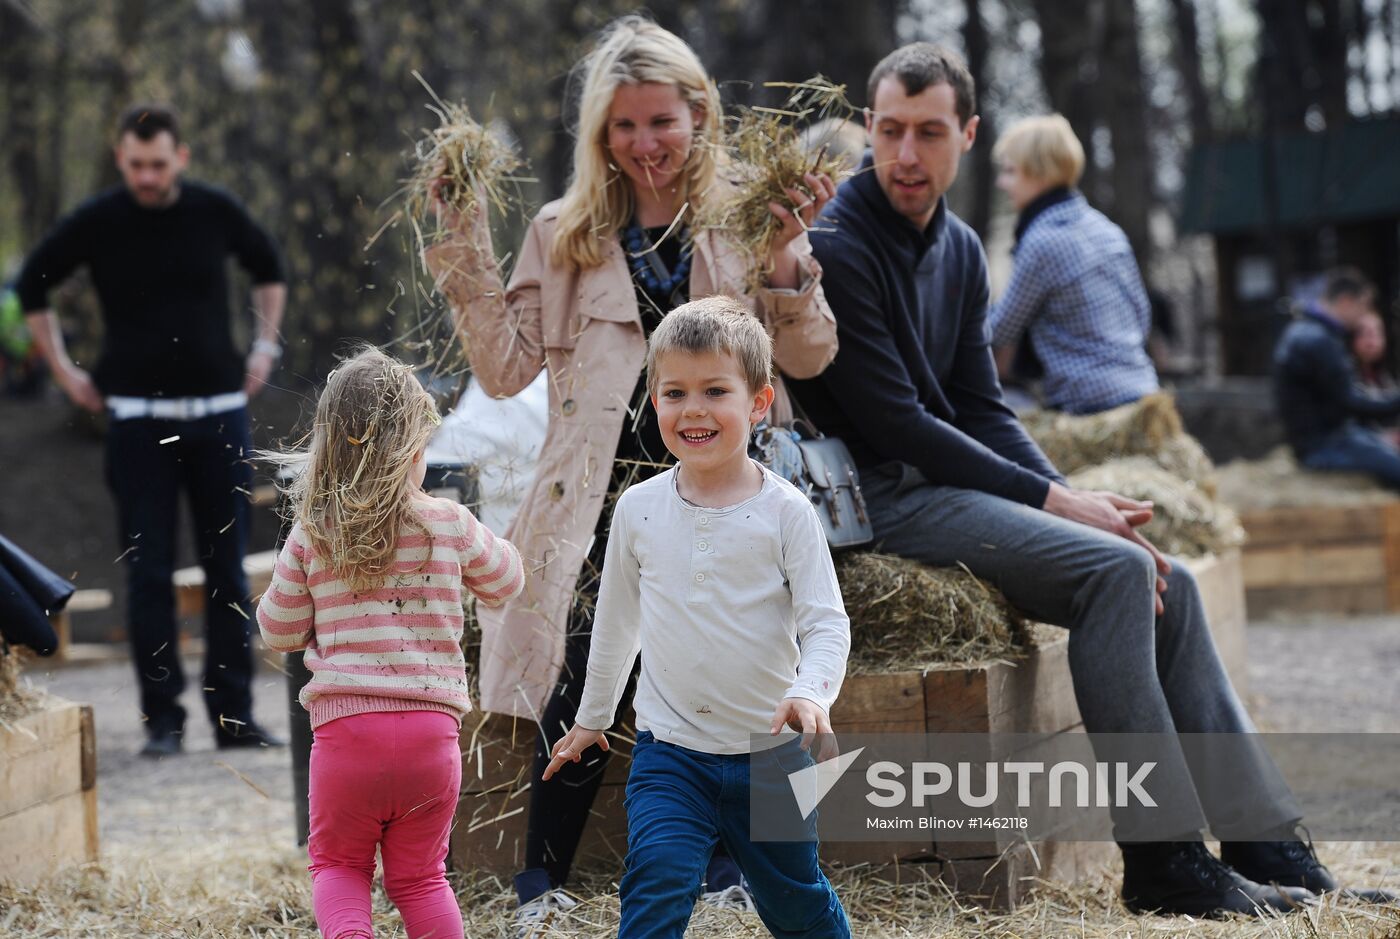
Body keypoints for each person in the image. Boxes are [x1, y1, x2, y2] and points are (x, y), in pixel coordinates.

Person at [786, 43, 1340, 917]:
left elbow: (983, 403)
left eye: (929, 133)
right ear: (867, 126)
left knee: (1171, 579)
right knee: (1112, 574)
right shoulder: (840, 243)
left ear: (967, 135)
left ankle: (1264, 837)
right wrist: (1066, 505)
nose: (904, 154)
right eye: (888, 130)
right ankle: (1162, 859)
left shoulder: (963, 248)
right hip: (880, 498)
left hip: (942, 484)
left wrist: (1082, 505)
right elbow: (903, 425)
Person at [424, 15, 838, 928]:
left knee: (740, 659)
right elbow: (502, 369)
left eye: (662, 122)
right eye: (624, 126)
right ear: (600, 135)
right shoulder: (563, 233)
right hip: (601, 498)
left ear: (699, 115)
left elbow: (805, 358)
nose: (645, 146)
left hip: (727, 488)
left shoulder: (743, 212)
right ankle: (542, 881)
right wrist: (458, 242)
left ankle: (735, 868)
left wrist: (787, 257)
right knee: (579, 679)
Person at [545, 298, 851, 939]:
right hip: (671, 752)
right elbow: (617, 624)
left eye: (716, 390)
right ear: (652, 401)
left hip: (771, 754)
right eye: (674, 392)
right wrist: (592, 718)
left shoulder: (787, 512)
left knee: (794, 902)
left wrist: (810, 691)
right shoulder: (638, 509)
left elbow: (825, 623)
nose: (693, 410)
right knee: (655, 880)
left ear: (759, 402)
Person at [16, 104, 288, 757]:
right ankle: (161, 721)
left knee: (227, 567)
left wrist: (263, 350)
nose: (146, 176)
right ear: (121, 158)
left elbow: (269, 267)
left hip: (219, 412)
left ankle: (235, 718)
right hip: (137, 421)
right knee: (149, 572)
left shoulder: (214, 211)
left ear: (181, 158)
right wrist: (62, 369)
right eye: (135, 164)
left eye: (158, 164)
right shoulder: (99, 220)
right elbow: (32, 284)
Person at [256, 347, 525, 939]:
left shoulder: (314, 533)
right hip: (432, 737)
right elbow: (507, 581)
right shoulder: (447, 522)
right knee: (422, 879)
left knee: (339, 866)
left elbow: (277, 630)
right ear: (411, 449)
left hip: (347, 737)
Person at [985, 114, 1159, 414]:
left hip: (1089, 403)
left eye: (1010, 172)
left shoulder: (1043, 240)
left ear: (1039, 172)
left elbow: (1001, 329)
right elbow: (1141, 318)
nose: (1002, 182)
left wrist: (954, 327)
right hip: (1142, 392)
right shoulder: (1107, 230)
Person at [1275, 269, 1400, 489]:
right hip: (1324, 446)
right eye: (1362, 306)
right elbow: (1351, 401)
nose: (1363, 315)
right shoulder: (1319, 340)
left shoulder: (1306, 331)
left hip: (1321, 440)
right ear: (1345, 301)